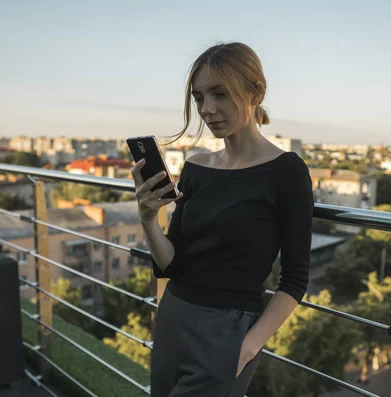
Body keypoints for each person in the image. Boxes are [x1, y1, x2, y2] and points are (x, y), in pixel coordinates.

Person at [131, 42, 314, 397]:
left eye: (220, 94)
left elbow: (295, 279)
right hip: (172, 317)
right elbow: (171, 263)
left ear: (255, 92)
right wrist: (149, 219)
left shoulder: (287, 172)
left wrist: (247, 348)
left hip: (228, 332)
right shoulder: (197, 167)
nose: (207, 109)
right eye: (199, 98)